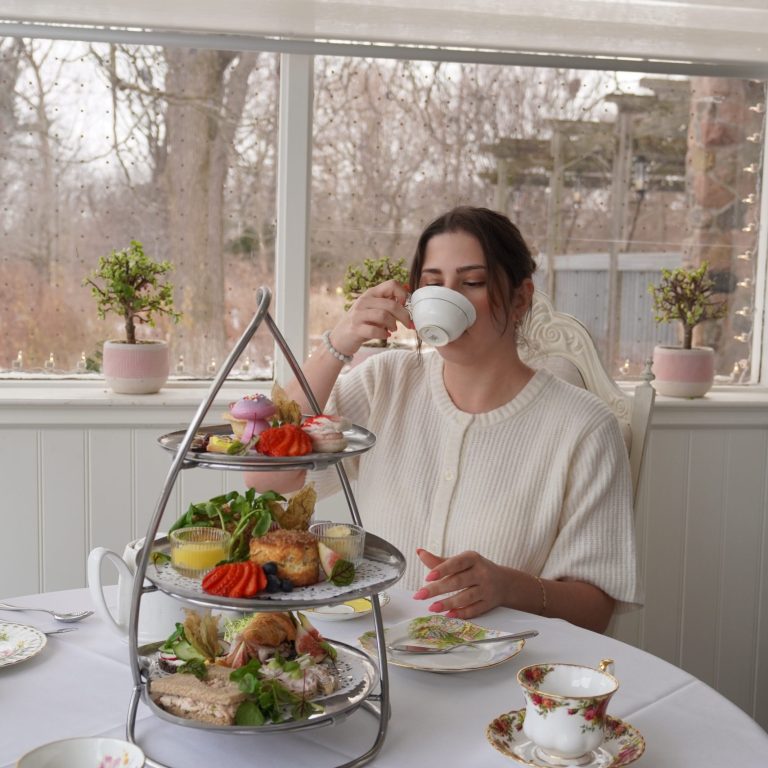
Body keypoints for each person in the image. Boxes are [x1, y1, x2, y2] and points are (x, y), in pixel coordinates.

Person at [247, 206, 640, 633]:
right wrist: (338, 344)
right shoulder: (386, 382)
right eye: (434, 285)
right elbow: (266, 478)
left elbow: (596, 611)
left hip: (503, 675)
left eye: (472, 283)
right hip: (372, 654)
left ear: (520, 298)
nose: (449, 297)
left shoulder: (583, 426)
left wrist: (510, 587)